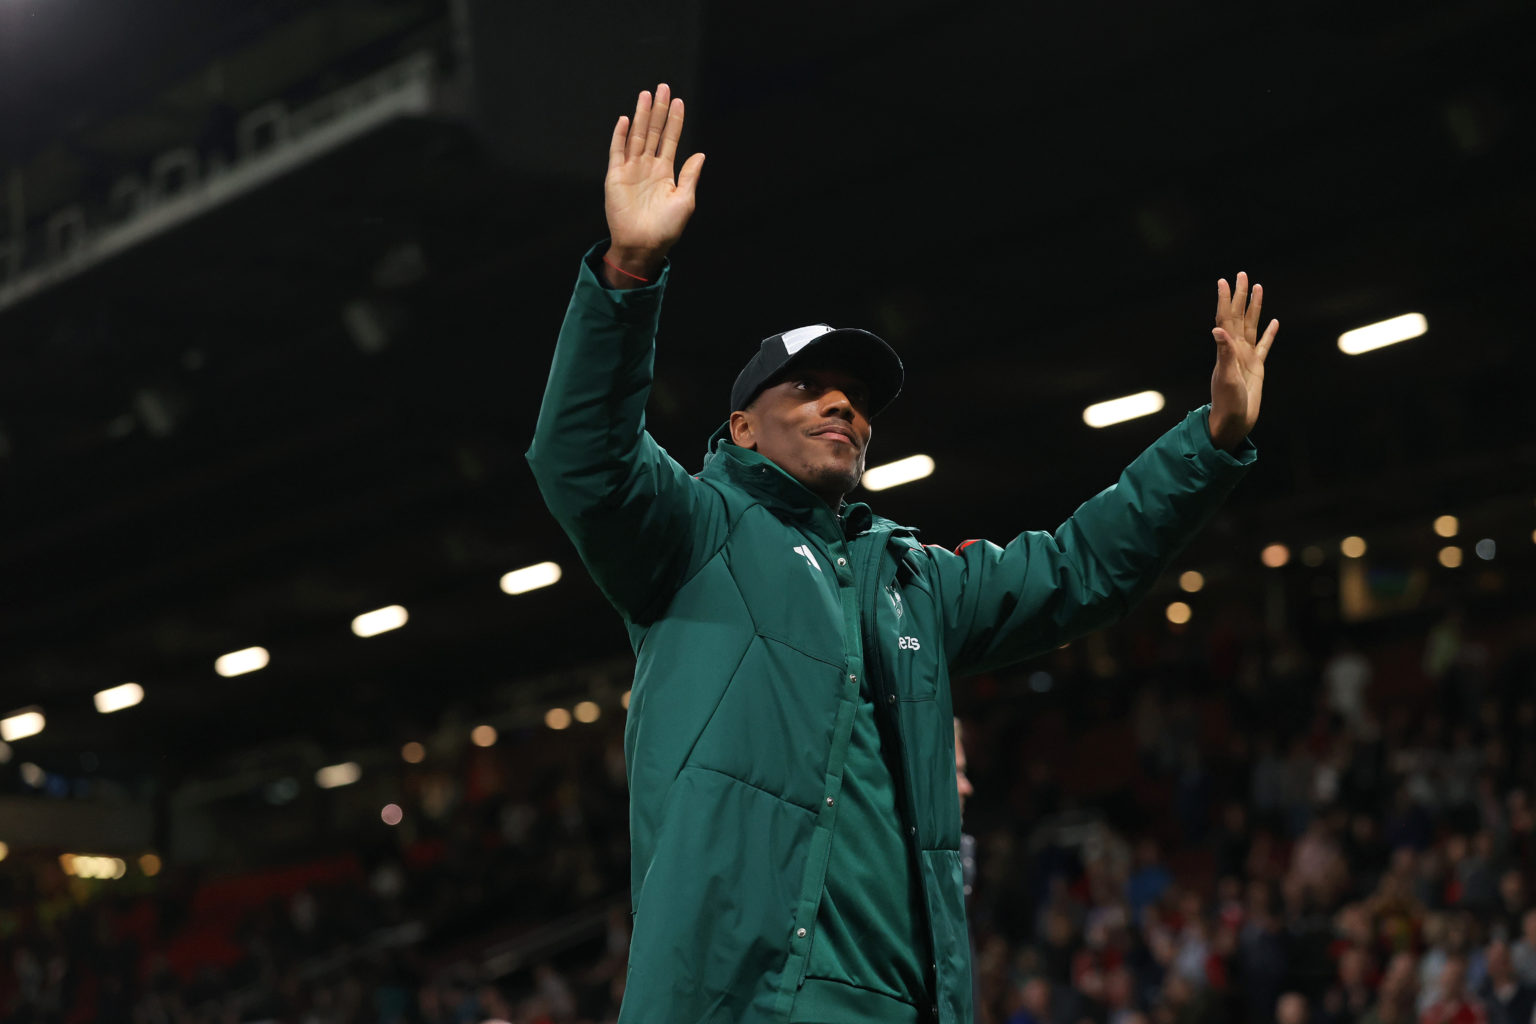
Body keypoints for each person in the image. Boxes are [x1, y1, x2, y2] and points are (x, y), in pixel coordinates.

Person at [527, 83, 1278, 1024]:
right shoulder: (693, 533)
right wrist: (628, 275)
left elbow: (1079, 570)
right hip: (749, 1002)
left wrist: (1208, 443)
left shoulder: (911, 581)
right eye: (811, 388)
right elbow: (583, 460)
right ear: (742, 429)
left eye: (860, 397)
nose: (846, 406)